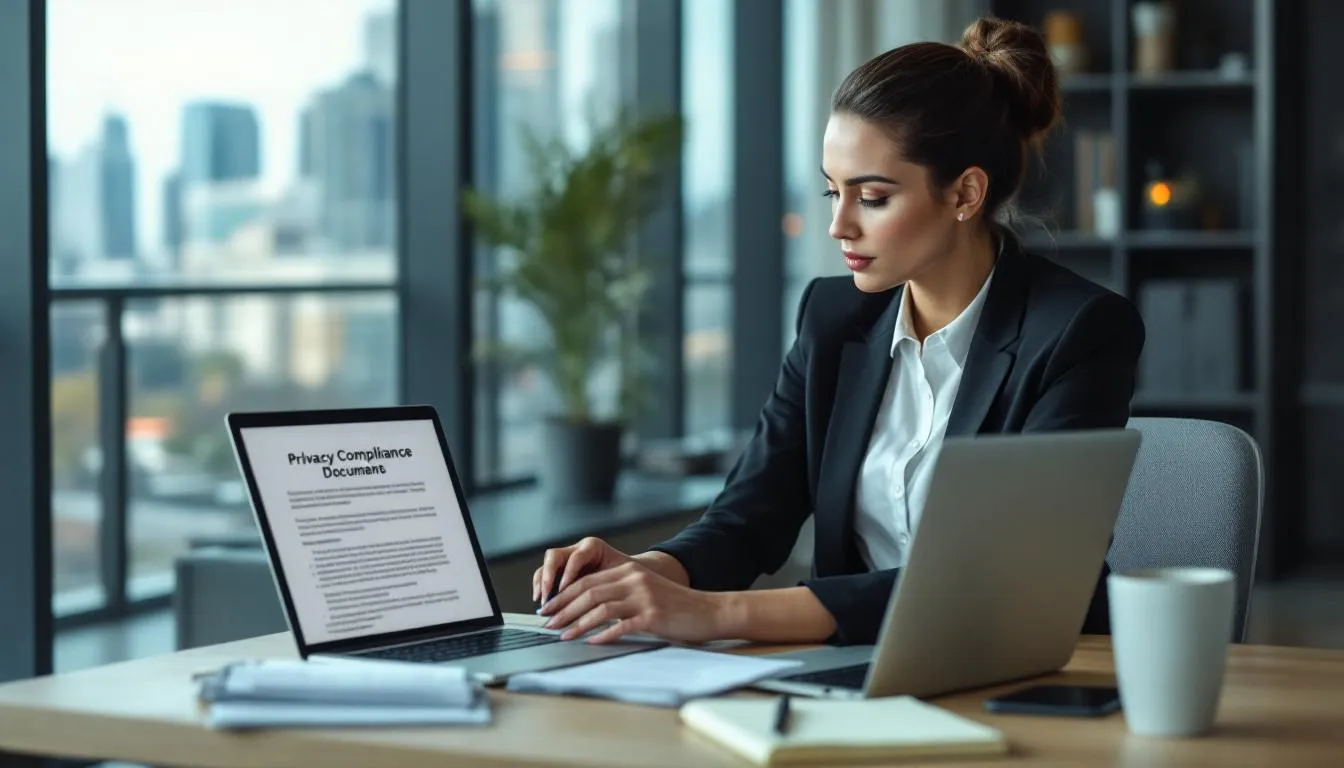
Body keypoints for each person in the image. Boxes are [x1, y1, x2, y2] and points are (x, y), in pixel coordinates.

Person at [534, 16, 1145, 647]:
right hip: (855, 674)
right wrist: (645, 573)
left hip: (1028, 664)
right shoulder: (833, 317)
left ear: (964, 193)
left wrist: (716, 614)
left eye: (872, 197)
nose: (839, 226)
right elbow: (750, 515)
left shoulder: (1079, 331)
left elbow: (1001, 577)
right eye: (832, 193)